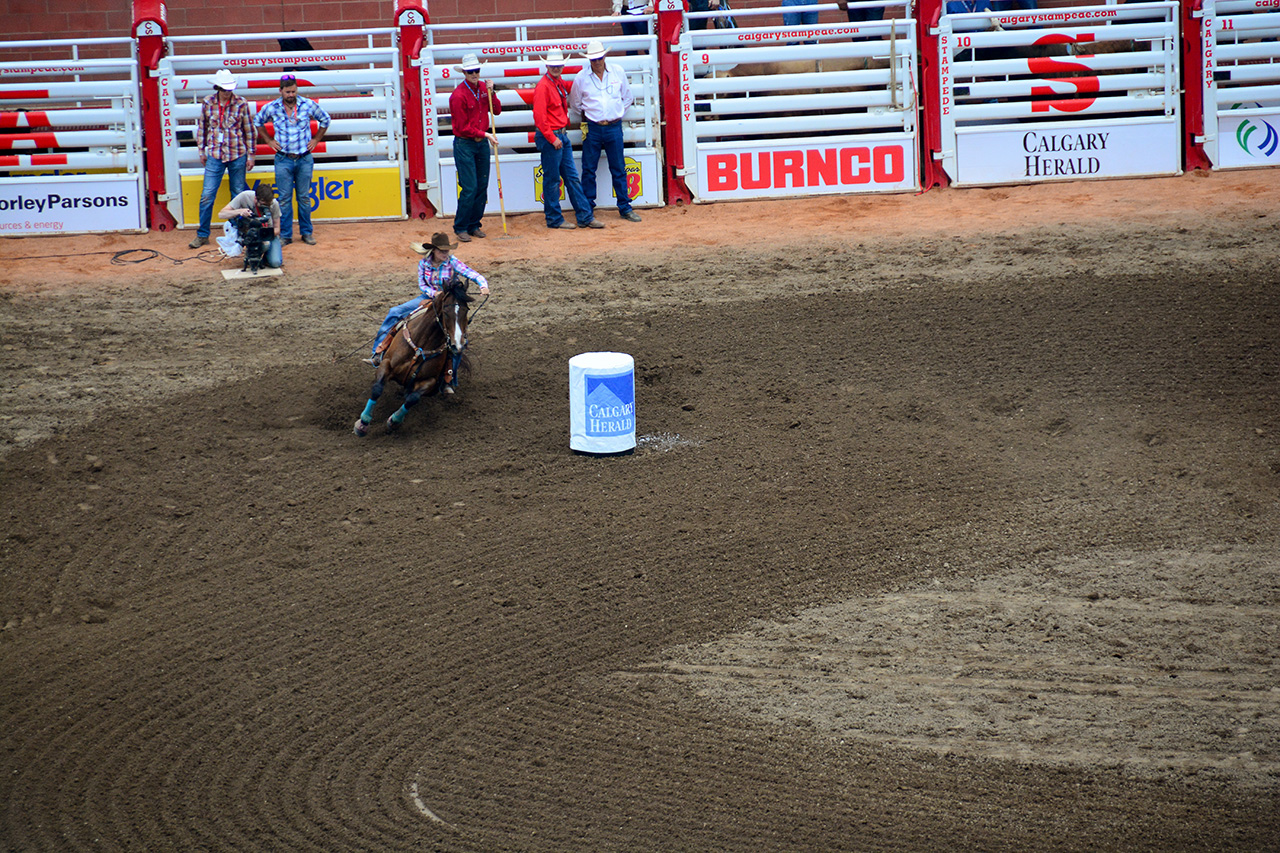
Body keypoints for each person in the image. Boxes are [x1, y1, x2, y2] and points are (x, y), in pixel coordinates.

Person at [364, 232, 490, 390]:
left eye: (446, 251)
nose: (445, 254)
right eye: (442, 251)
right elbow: (422, 285)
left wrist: (483, 285)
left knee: (459, 343)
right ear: (434, 251)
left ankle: (449, 378)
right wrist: (434, 294)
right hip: (428, 298)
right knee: (395, 312)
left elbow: (470, 273)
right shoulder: (423, 264)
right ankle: (379, 351)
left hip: (449, 303)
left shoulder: (453, 262)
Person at [569, 41, 641, 224]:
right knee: (590, 169)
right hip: (594, 126)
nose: (597, 62)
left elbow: (627, 98)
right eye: (594, 59)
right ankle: (590, 208)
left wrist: (614, 114)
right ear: (590, 60)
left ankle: (623, 206)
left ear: (604, 57)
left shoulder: (617, 72)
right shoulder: (581, 78)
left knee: (616, 168)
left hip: (610, 126)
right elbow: (575, 104)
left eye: (599, 58)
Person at [254, 73, 331, 246]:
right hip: (283, 159)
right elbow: (257, 120)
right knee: (284, 199)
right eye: (287, 92)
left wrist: (317, 139)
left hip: (304, 158)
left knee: (303, 197)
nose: (291, 95)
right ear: (280, 91)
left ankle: (306, 232)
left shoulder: (307, 104)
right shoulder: (272, 107)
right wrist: (268, 140)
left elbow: (326, 119)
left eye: (293, 91)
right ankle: (286, 235)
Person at [533, 49, 603, 231]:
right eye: (554, 66)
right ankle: (560, 218)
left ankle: (582, 216)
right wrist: (551, 137)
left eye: (559, 65)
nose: (556, 68)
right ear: (548, 66)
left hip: (558, 135)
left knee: (567, 177)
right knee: (555, 179)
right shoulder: (545, 86)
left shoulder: (555, 83)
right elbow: (540, 117)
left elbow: (571, 86)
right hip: (554, 136)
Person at [189, 69, 255, 249]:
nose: (228, 91)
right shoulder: (208, 102)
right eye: (225, 88)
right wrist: (202, 150)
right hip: (217, 154)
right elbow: (203, 127)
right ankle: (203, 234)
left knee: (237, 194)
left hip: (236, 154)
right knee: (207, 195)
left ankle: (236, 232)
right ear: (218, 87)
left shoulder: (241, 103)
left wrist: (251, 155)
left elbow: (249, 131)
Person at [449, 53, 500, 243]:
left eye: (476, 70)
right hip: (466, 144)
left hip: (480, 143)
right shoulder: (458, 96)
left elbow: (496, 110)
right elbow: (462, 128)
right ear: (464, 72)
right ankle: (461, 226)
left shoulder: (483, 90)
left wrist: (492, 93)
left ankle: (474, 224)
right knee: (470, 187)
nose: (474, 74)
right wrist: (485, 134)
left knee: (482, 185)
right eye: (470, 71)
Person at [217, 183, 283, 269]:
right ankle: (251, 254)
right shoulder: (245, 196)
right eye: (263, 204)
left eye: (268, 205)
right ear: (256, 198)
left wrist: (263, 235)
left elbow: (277, 229)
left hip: (267, 233)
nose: (266, 207)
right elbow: (221, 214)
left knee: (275, 262)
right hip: (248, 233)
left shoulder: (274, 203)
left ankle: (264, 256)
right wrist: (239, 211)